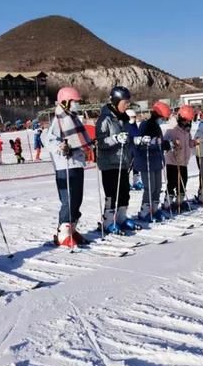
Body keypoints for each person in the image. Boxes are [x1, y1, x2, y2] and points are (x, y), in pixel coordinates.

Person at [46, 86, 93, 248]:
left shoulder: (73, 118)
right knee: (68, 199)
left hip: (77, 163)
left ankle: (72, 229)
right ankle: (63, 233)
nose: (76, 105)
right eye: (74, 102)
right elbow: (49, 140)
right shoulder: (58, 120)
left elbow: (80, 139)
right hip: (64, 165)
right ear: (65, 102)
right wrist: (61, 146)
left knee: (77, 199)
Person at [95, 86, 139, 233]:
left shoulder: (124, 119)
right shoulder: (105, 119)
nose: (127, 105)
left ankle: (121, 217)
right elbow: (100, 142)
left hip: (123, 161)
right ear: (115, 102)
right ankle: (108, 221)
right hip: (109, 163)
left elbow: (128, 138)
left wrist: (134, 141)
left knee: (124, 192)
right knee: (112, 193)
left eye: (128, 103)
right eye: (124, 102)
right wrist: (115, 138)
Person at [133, 101, 172, 222]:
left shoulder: (156, 126)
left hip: (156, 160)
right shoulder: (146, 125)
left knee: (158, 186)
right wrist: (151, 143)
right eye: (162, 118)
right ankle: (145, 210)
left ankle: (154, 209)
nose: (163, 120)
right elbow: (141, 142)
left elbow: (160, 142)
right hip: (146, 161)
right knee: (150, 187)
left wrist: (167, 144)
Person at [164, 105, 195, 212]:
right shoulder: (172, 129)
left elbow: (189, 143)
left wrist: (194, 142)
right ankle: (167, 202)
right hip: (173, 161)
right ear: (181, 118)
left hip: (183, 162)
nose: (188, 123)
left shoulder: (187, 131)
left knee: (183, 182)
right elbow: (165, 143)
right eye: (186, 121)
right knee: (172, 182)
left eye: (189, 121)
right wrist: (173, 143)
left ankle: (179, 202)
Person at [125, 108, 143, 190]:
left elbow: (137, 134)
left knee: (136, 166)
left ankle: (136, 182)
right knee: (128, 166)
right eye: (132, 117)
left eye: (134, 117)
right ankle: (125, 183)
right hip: (128, 149)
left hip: (135, 148)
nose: (134, 119)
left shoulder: (134, 125)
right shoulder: (125, 125)